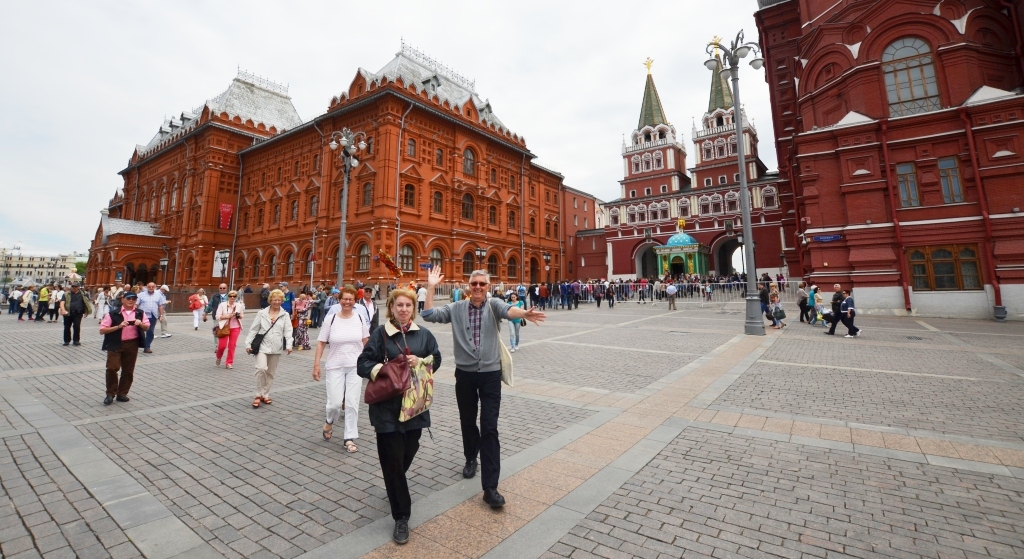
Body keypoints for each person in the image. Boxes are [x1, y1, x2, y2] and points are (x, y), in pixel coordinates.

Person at [421, 267, 545, 509]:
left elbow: (509, 311)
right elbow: (427, 314)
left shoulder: (493, 305)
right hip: (465, 375)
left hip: (489, 376)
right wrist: (432, 286)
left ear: (488, 287)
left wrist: (523, 314)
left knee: (490, 427)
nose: (478, 287)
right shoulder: (456, 309)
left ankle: (490, 487)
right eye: (474, 284)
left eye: (482, 284)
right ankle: (470, 458)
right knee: (468, 421)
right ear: (469, 287)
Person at [357, 288, 441, 545]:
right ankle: (401, 516)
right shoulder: (380, 335)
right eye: (399, 305)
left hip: (414, 407)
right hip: (387, 409)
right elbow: (363, 363)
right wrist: (386, 368)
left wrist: (422, 361)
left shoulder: (424, 334)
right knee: (393, 460)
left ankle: (394, 481)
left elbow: (436, 359)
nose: (403, 309)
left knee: (407, 452)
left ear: (413, 309)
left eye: (408, 305)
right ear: (391, 308)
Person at [313, 287, 369, 453]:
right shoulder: (331, 319)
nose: (347, 302)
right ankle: (329, 421)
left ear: (355, 301)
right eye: (345, 299)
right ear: (339, 300)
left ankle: (349, 437)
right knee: (335, 403)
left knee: (352, 403)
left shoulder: (359, 318)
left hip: (355, 367)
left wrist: (373, 360)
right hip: (335, 365)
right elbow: (321, 342)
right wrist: (316, 364)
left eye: (351, 299)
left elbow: (366, 340)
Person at [245, 289, 293, 408]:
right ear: (270, 300)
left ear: (282, 301)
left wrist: (289, 345)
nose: (276, 302)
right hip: (262, 345)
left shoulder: (285, 315)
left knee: (270, 373)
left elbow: (288, 331)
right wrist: (248, 344)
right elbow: (254, 329)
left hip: (276, 347)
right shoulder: (261, 313)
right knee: (261, 369)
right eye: (274, 299)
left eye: (279, 300)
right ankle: (258, 394)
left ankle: (265, 394)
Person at [99, 291, 149, 405]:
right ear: (123, 300)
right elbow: (102, 330)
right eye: (128, 298)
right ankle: (110, 393)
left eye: (133, 299)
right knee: (112, 368)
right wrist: (118, 326)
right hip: (115, 343)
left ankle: (122, 393)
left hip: (132, 344)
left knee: (128, 370)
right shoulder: (113, 313)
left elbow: (146, 327)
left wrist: (140, 324)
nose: (131, 301)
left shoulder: (140, 313)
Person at [215, 290, 245, 368]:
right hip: (224, 327)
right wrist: (227, 316)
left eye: (234, 296)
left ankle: (229, 362)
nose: (232, 298)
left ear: (236, 297)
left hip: (235, 327)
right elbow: (217, 316)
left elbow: (242, 315)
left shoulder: (238, 305)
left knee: (232, 346)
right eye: (230, 296)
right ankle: (219, 357)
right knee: (222, 346)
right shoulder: (222, 305)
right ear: (228, 297)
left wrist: (239, 316)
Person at [136, 282, 166, 354]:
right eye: (149, 287)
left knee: (150, 332)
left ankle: (147, 347)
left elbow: (160, 306)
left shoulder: (158, 295)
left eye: (153, 287)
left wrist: (161, 315)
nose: (151, 288)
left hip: (153, 316)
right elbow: (136, 305)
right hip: (142, 316)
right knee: (139, 331)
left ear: (155, 287)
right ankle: (136, 346)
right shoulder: (140, 295)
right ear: (147, 287)